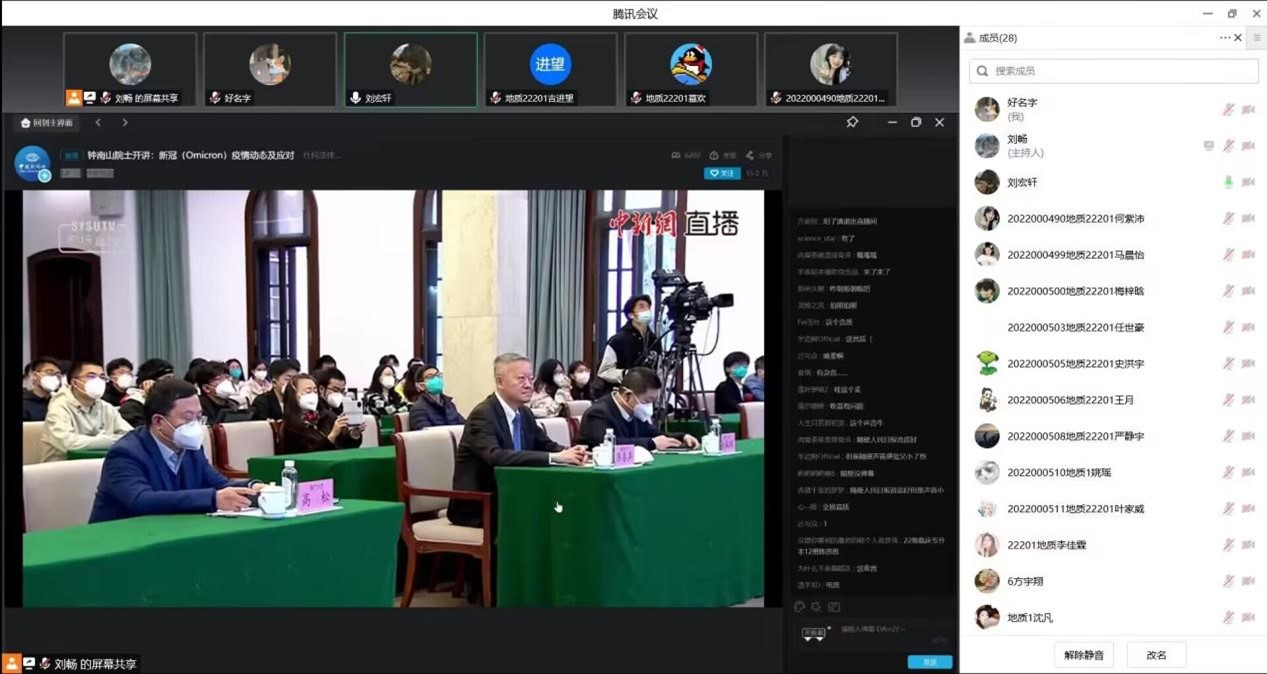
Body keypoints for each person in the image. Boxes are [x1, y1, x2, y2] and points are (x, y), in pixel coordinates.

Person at [88, 379, 267, 524]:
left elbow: (219, 484)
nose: (195, 426)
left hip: (168, 531)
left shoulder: (190, 447)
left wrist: (253, 487)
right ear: (158, 421)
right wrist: (213, 499)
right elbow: (141, 500)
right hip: (120, 538)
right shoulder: (125, 453)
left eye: (199, 417)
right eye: (188, 419)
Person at [448, 353, 588, 528]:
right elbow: (495, 456)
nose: (528, 385)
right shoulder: (483, 415)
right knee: (548, 516)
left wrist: (573, 453)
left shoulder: (524, 413)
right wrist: (555, 458)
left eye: (531, 378)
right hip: (482, 504)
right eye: (521, 379)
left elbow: (547, 445)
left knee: (567, 508)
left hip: (516, 496)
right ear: (500, 382)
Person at [577, 367, 699, 451]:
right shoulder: (598, 413)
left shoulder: (634, 412)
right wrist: (652, 443)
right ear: (627, 395)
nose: (649, 406)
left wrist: (682, 437)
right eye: (647, 401)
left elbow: (654, 434)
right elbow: (610, 445)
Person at [40, 360, 133, 462]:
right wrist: (108, 440)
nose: (98, 381)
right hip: (62, 466)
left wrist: (107, 440)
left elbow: (131, 436)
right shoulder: (59, 406)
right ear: (74, 382)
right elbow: (69, 443)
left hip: (100, 464)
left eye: (102, 377)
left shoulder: (105, 407)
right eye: (91, 377)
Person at [279, 373, 363, 454]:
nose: (313, 395)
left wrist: (354, 434)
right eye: (308, 391)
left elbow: (345, 448)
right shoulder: (290, 428)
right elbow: (309, 456)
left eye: (315, 391)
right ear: (293, 395)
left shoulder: (328, 417)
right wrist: (332, 435)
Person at [597, 294, 662, 393]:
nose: (647, 310)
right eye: (641, 307)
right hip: (624, 393)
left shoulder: (655, 341)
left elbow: (660, 370)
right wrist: (627, 374)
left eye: (648, 307)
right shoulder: (618, 340)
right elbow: (604, 371)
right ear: (631, 315)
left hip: (649, 394)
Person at [118, 358, 175, 428]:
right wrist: (152, 398)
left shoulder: (172, 400)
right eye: (167, 379)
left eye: (173, 378)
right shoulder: (132, 406)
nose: (172, 382)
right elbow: (144, 431)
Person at [408, 364, 465, 429]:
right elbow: (425, 433)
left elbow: (465, 426)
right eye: (430, 377)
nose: (436, 379)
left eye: (438, 375)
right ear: (421, 386)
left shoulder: (449, 405)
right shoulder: (418, 409)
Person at [193, 360, 245, 425]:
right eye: (219, 379)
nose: (226, 381)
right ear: (206, 388)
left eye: (227, 377)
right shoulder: (198, 407)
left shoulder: (233, 405)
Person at [22, 357, 63, 421]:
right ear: (35, 375)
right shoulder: (25, 403)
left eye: (57, 374)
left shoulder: (59, 401)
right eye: (49, 372)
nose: (54, 377)